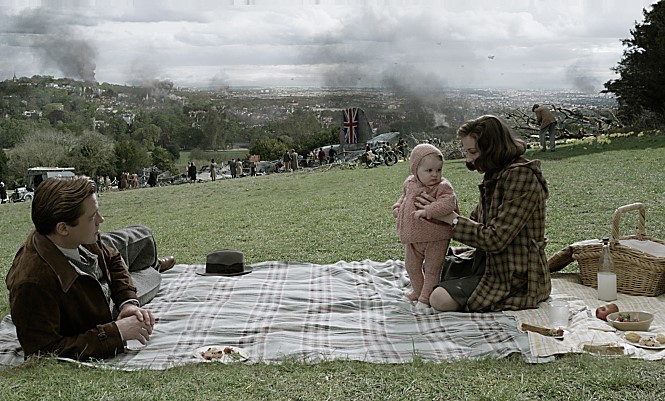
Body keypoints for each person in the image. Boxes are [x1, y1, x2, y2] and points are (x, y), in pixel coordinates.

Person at [6, 177, 176, 361]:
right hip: (101, 302)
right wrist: (116, 332)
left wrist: (127, 303)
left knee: (143, 234)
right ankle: (155, 266)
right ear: (63, 228)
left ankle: (150, 261)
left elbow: (112, 258)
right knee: (152, 277)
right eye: (91, 217)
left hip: (96, 269)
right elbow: (43, 351)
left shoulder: (74, 237)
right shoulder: (32, 285)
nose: (101, 219)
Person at [418, 115, 551, 312]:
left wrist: (449, 218)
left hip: (516, 273)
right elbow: (475, 221)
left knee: (438, 298)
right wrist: (438, 207)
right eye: (467, 152)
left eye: (473, 152)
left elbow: (495, 239)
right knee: (431, 265)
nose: (469, 159)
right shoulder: (495, 173)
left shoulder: (522, 176)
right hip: (487, 261)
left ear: (492, 148)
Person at [392, 144, 458, 308]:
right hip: (413, 236)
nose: (435, 175)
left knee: (432, 269)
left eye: (439, 170)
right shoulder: (410, 183)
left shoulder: (442, 186)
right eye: (429, 171)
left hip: (436, 236)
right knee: (411, 266)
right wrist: (397, 206)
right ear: (415, 169)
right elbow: (404, 197)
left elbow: (448, 203)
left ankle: (426, 298)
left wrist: (429, 210)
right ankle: (418, 290)